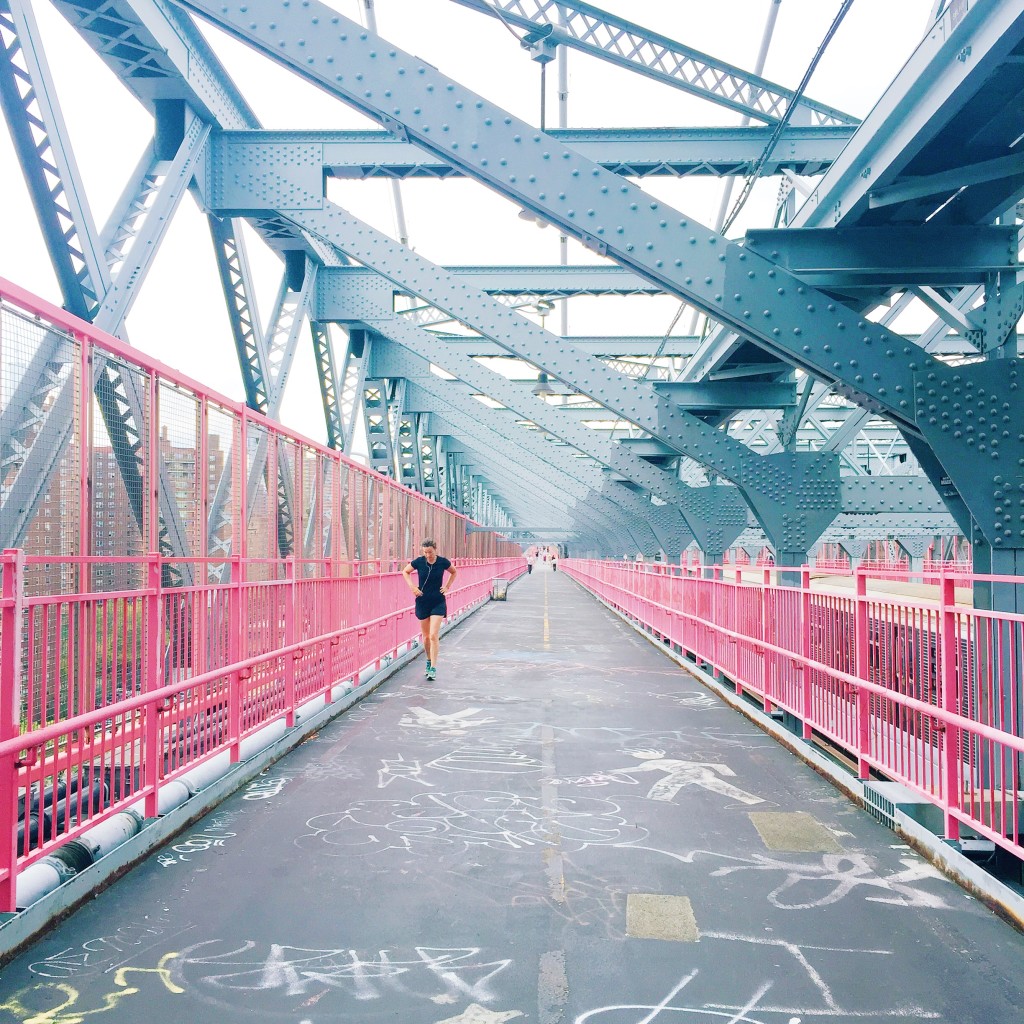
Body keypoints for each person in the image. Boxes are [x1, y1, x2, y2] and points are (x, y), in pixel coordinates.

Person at [402, 539, 456, 681]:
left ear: (435, 550)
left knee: (433, 635)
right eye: (425, 552)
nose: (428, 555)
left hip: (438, 601)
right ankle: (428, 659)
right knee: (425, 637)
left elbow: (454, 572)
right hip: (423, 601)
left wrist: (447, 587)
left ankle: (433, 667)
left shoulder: (443, 562)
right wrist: (413, 587)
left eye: (430, 552)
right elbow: (405, 572)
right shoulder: (419, 562)